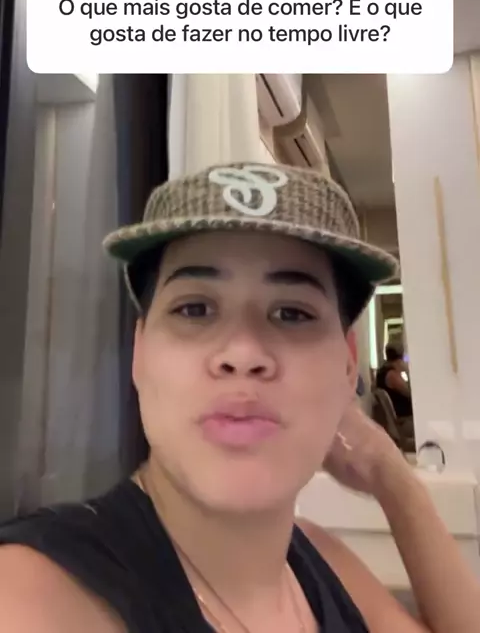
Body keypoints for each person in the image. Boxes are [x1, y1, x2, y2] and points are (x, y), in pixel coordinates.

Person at [1, 162, 479, 633]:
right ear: (140, 353)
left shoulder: (320, 562)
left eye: (292, 314)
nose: (243, 353)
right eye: (195, 309)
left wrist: (391, 477)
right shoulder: (31, 596)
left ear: (347, 365)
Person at [376, 345, 414, 437]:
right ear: (399, 360)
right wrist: (408, 371)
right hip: (404, 421)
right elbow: (410, 394)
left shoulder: (382, 372)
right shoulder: (392, 375)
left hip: (402, 420)